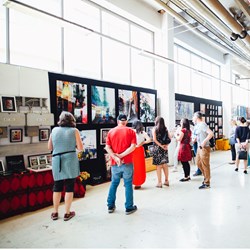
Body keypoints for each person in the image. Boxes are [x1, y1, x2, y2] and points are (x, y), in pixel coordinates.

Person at [48, 111, 83, 221]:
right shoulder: (74, 131)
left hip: (56, 159)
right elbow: (80, 148)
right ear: (72, 120)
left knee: (57, 186)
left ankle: (55, 212)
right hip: (70, 159)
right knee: (69, 187)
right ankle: (67, 213)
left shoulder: (54, 130)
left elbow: (49, 147)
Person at [105, 114, 137, 215]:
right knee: (128, 184)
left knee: (114, 183)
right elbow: (133, 147)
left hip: (115, 163)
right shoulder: (131, 131)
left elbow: (107, 147)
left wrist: (115, 157)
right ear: (126, 121)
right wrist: (121, 156)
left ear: (118, 121)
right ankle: (129, 207)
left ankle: (110, 206)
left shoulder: (111, 132)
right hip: (127, 162)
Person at [192, 111, 214, 189]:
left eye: (193, 117)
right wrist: (194, 140)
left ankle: (207, 183)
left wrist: (204, 141)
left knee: (205, 165)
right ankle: (206, 177)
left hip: (204, 147)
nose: (192, 118)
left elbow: (211, 133)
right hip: (199, 147)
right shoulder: (197, 126)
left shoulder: (202, 125)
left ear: (197, 117)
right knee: (198, 163)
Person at [152, 116, 172, 188]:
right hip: (164, 149)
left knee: (158, 166)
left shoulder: (154, 129)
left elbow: (154, 139)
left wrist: (161, 146)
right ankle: (166, 181)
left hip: (157, 149)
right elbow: (170, 138)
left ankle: (159, 183)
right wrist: (166, 145)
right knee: (165, 165)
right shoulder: (165, 129)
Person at [132, 119, 151, 189]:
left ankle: (131, 181)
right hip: (139, 150)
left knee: (132, 166)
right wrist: (143, 143)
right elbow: (149, 140)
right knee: (140, 167)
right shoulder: (143, 132)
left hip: (132, 150)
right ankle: (138, 183)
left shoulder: (132, 132)